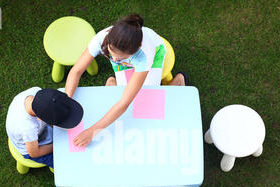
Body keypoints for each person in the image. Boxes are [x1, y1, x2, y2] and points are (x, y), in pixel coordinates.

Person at [64, 13, 188, 148]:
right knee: (125, 93)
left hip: (155, 57)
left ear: (136, 50)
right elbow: (76, 71)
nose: (114, 60)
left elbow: (124, 103)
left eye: (120, 57)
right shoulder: (101, 39)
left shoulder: (144, 55)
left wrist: (92, 131)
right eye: (111, 52)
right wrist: (65, 100)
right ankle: (114, 81)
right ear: (109, 39)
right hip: (128, 62)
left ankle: (177, 82)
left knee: (146, 102)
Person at [6, 87, 83, 169]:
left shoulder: (36, 91)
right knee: (65, 164)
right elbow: (34, 153)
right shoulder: (28, 128)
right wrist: (58, 145)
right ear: (40, 119)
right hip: (32, 148)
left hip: (36, 133)